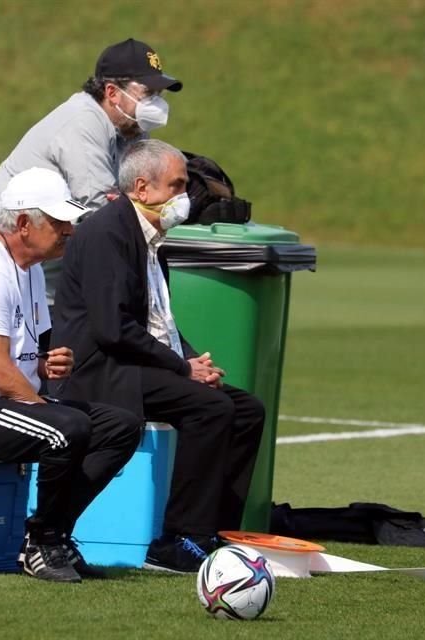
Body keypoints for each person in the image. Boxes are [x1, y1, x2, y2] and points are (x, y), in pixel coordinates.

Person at [0, 167, 143, 583]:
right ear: (24, 224)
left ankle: (52, 532)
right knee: (68, 427)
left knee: (123, 426)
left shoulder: (30, 268)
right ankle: (41, 544)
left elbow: (30, 353)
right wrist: (49, 410)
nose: (68, 232)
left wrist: (46, 365)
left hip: (3, 403)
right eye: (59, 223)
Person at [51, 140, 266, 574]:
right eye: (178, 185)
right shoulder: (108, 232)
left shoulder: (150, 238)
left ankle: (217, 533)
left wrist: (191, 360)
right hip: (100, 370)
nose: (185, 197)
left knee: (246, 409)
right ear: (144, 187)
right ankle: (178, 540)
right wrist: (180, 367)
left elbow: (158, 318)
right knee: (210, 410)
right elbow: (114, 329)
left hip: (134, 362)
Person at [0, 38, 183, 303]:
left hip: (38, 275)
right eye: (148, 93)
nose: (157, 104)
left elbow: (143, 193)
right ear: (112, 92)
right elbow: (99, 208)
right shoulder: (83, 122)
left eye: (159, 95)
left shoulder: (132, 129)